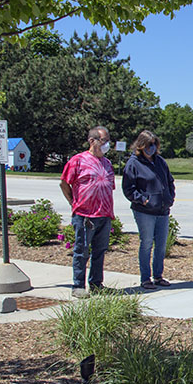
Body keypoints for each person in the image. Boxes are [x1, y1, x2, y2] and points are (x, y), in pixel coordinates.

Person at [60, 126, 116, 298]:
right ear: (92, 141)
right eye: (103, 140)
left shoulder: (107, 163)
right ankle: (78, 285)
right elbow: (64, 183)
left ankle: (96, 283)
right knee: (81, 251)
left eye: (108, 141)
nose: (107, 144)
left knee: (100, 251)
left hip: (104, 215)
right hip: (85, 216)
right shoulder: (78, 161)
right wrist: (73, 203)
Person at [122, 130, 176, 290]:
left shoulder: (160, 161)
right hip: (144, 211)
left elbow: (170, 181)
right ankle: (145, 278)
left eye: (154, 144)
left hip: (162, 209)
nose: (151, 148)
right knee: (146, 243)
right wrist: (144, 200)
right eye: (148, 145)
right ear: (141, 145)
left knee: (161, 244)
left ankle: (158, 276)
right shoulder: (133, 163)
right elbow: (128, 189)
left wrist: (170, 197)